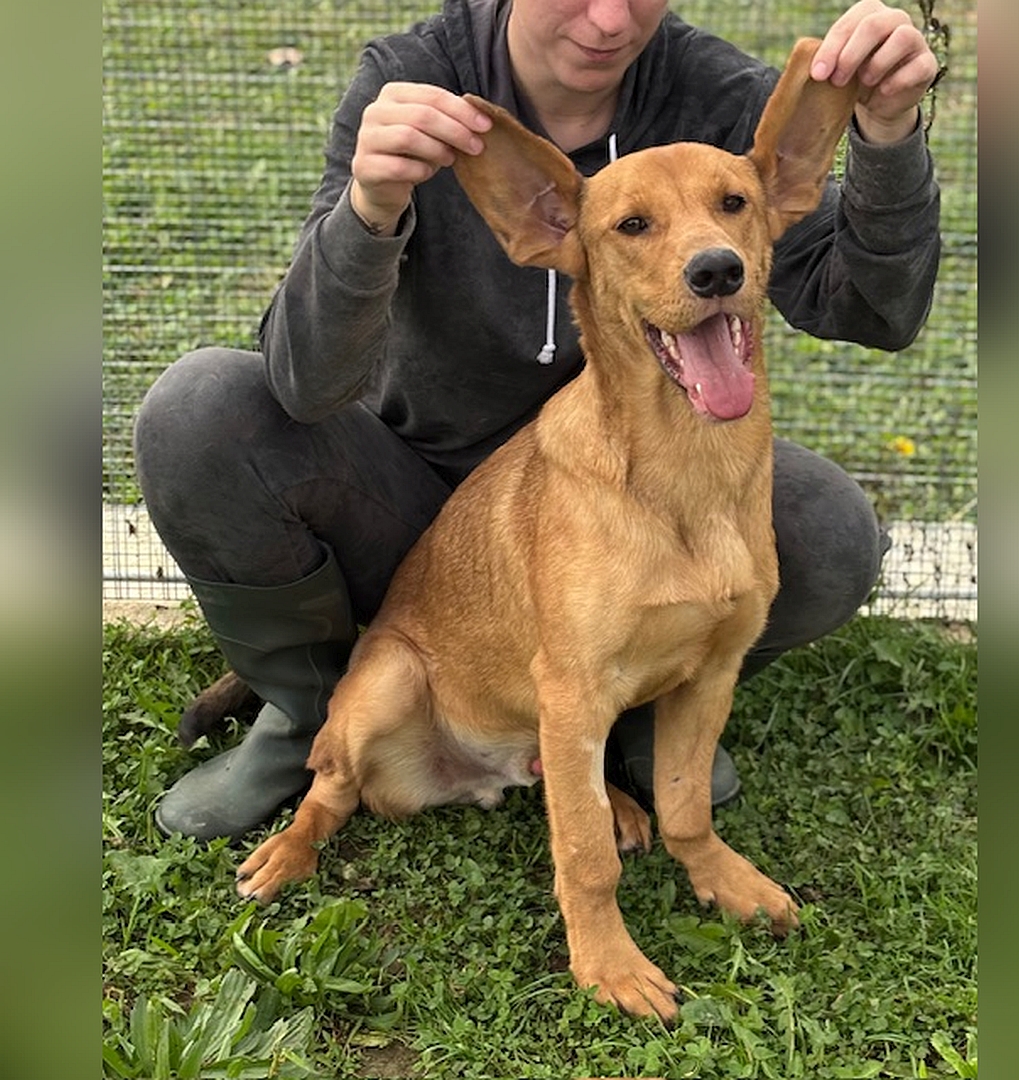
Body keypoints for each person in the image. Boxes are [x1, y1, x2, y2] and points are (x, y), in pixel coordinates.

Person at [134, 0, 940, 841]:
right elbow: (303, 382)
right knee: (202, 407)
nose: (609, 19)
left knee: (829, 530)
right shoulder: (415, 81)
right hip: (410, 494)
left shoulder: (717, 95)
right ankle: (311, 712)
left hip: (614, 484)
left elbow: (875, 312)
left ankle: (635, 700)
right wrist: (370, 208)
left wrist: (887, 138)